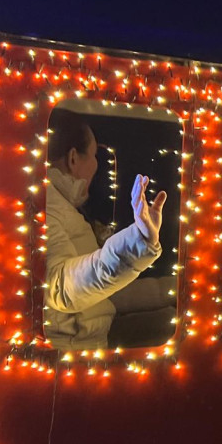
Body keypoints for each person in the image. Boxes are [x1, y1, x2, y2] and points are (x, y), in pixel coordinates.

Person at [44, 112, 174, 350]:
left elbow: (102, 292)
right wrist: (139, 240)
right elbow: (61, 288)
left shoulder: (62, 207)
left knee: (173, 319)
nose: (97, 164)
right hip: (80, 345)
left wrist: (175, 288)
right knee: (174, 327)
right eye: (95, 155)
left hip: (92, 331)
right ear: (73, 158)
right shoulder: (49, 209)